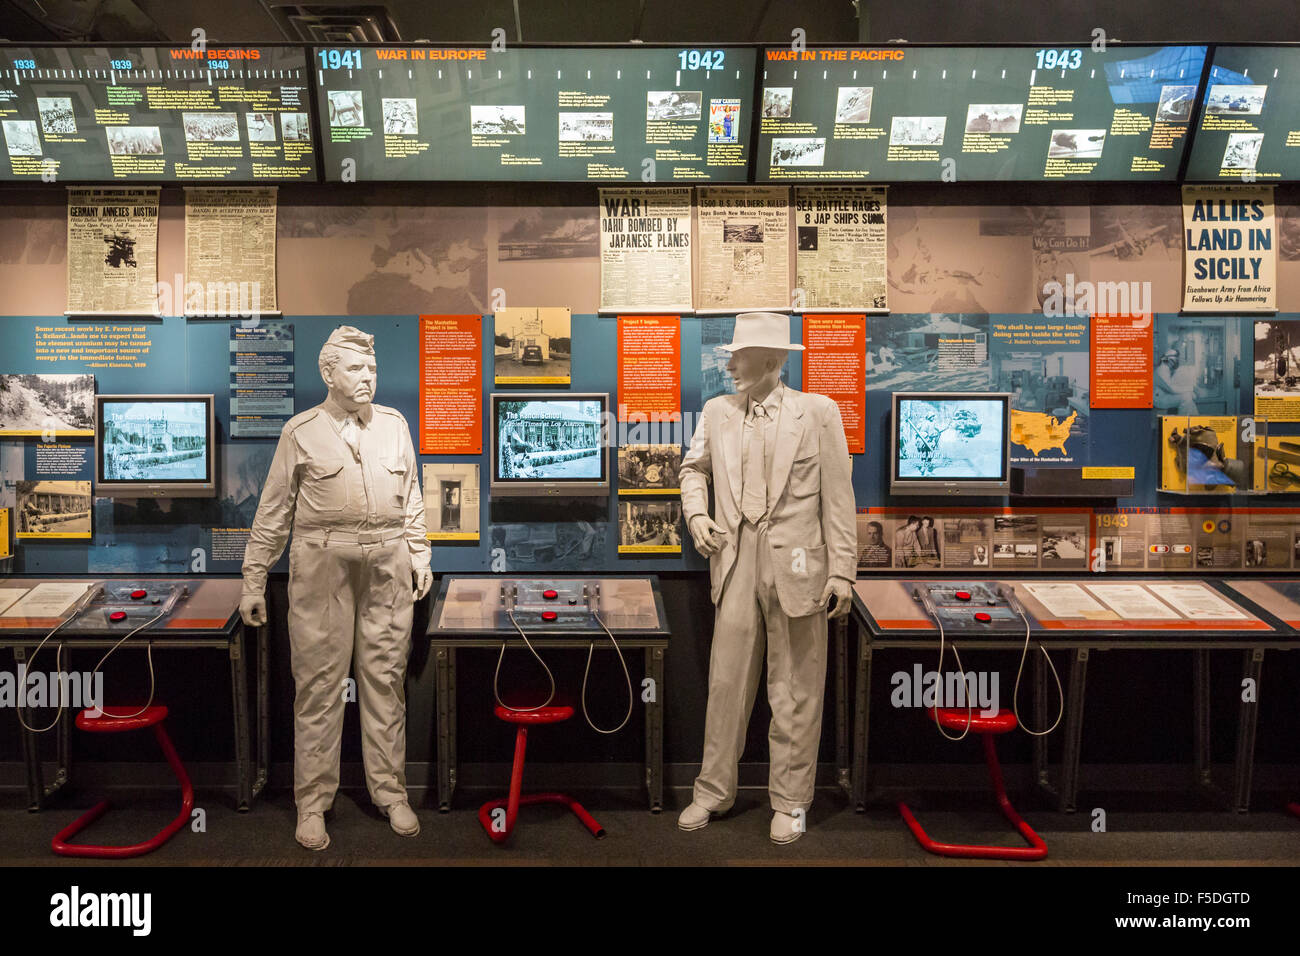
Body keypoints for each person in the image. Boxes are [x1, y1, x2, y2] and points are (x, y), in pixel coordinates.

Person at [240, 326, 433, 852]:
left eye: (371, 368)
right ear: (329, 373)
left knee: (385, 680)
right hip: (322, 561)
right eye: (355, 368)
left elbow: (411, 495)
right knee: (320, 686)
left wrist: (419, 554)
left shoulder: (394, 426)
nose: (367, 377)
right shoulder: (301, 432)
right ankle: (312, 802)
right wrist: (253, 579)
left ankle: (390, 793)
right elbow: (274, 512)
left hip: (387, 561)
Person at [676, 312, 856, 845]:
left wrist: (843, 571)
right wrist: (697, 516)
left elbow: (837, 497)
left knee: (796, 686)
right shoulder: (718, 412)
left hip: (799, 566)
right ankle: (712, 790)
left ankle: (793, 800)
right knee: (726, 682)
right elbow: (693, 469)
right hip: (735, 558)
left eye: (741, 355)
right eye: (732, 354)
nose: (730, 363)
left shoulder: (818, 412)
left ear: (773, 361)